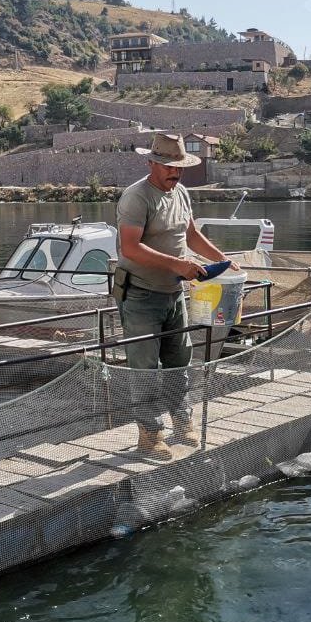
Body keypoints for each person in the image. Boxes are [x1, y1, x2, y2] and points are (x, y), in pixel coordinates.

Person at [115, 133, 236, 460]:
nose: (175, 173)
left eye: (179, 167)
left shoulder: (181, 193)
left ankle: (182, 423)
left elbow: (191, 235)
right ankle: (150, 435)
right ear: (151, 163)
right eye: (168, 166)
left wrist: (221, 260)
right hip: (139, 294)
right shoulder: (136, 198)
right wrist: (177, 265)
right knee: (144, 367)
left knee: (179, 362)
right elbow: (129, 248)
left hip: (174, 293)